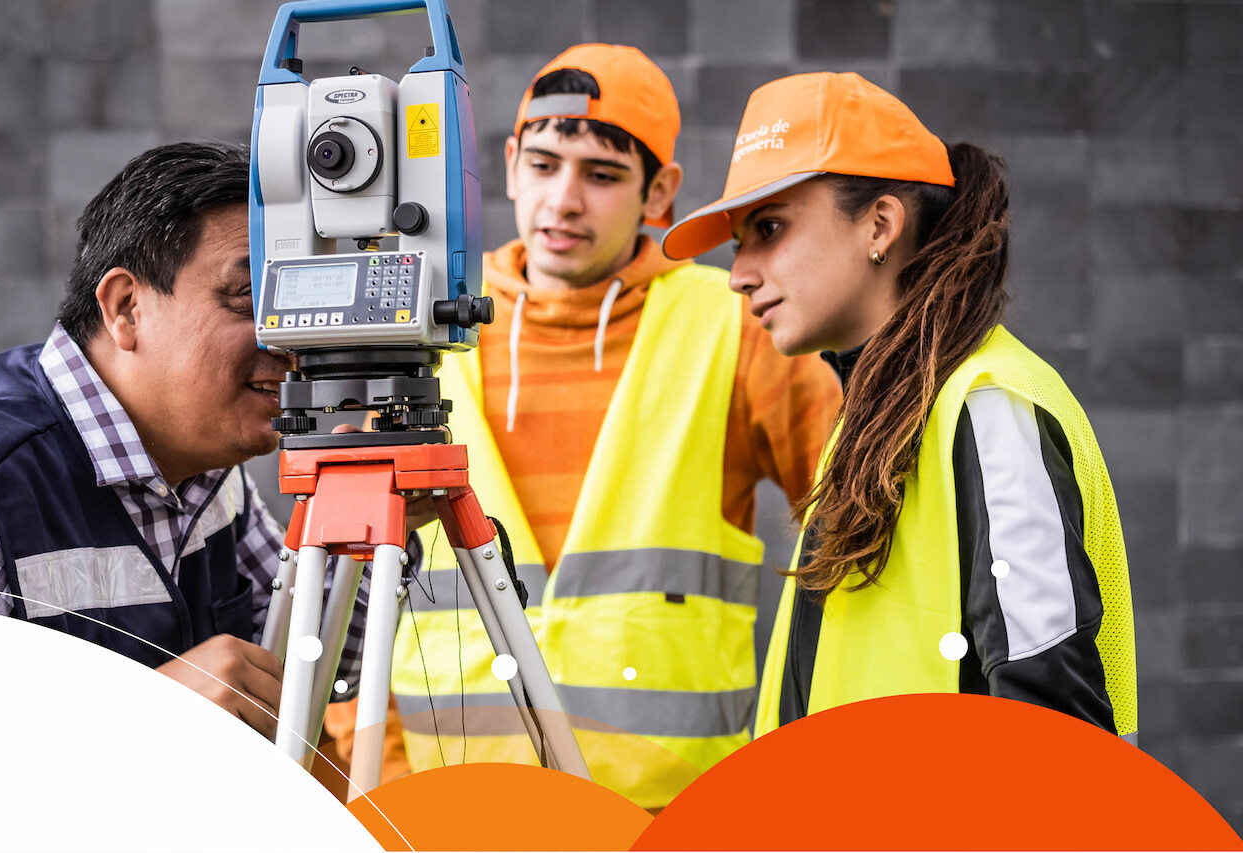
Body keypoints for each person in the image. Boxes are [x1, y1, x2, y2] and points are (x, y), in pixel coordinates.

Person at [317, 45, 842, 809]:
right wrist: (384, 781)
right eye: (543, 164)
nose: (563, 200)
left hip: (671, 818)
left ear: (659, 191)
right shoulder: (423, 332)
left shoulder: (736, 327)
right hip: (454, 815)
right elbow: (354, 586)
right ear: (507, 165)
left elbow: (858, 536)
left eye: (601, 175)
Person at [0, 142, 366, 739]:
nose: (293, 341)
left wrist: (364, 536)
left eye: (306, 305)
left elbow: (299, 674)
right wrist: (138, 720)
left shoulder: (204, 473)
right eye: (252, 296)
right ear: (126, 308)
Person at [662, 72, 1137, 741]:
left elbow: (1058, 735)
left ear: (880, 224)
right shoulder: (878, 416)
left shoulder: (986, 408)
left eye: (768, 228)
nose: (739, 273)